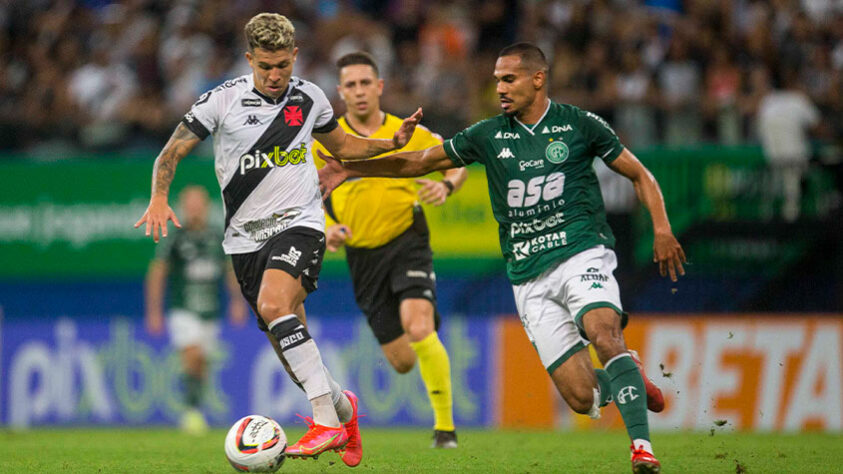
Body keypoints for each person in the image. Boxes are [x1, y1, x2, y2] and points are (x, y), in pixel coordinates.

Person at [319, 43, 686, 474]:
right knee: (581, 396)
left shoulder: (579, 125)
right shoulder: (487, 135)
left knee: (604, 334)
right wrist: (353, 169)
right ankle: (629, 379)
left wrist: (661, 227)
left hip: (580, 250)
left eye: (508, 79)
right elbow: (418, 162)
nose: (500, 88)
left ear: (537, 79)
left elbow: (639, 173)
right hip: (528, 276)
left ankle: (641, 448)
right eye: (496, 80)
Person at [135, 13, 423, 465]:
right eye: (265, 66)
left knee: (274, 306)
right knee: (293, 356)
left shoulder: (310, 98)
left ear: (295, 57)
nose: (274, 76)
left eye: (282, 66)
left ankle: (325, 424)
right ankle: (344, 411)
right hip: (244, 243)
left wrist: (392, 142)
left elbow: (344, 148)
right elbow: (172, 150)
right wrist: (158, 197)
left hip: (300, 223)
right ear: (250, 59)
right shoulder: (221, 101)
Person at [313, 51, 468, 448]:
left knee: (417, 326)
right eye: (351, 84)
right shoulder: (325, 144)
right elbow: (309, 197)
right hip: (361, 256)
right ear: (340, 92)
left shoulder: (409, 130)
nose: (360, 91)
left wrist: (446, 185)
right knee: (402, 361)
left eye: (367, 83)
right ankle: (426, 333)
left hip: (406, 240)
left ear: (379, 87)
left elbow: (457, 162)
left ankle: (445, 430)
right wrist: (329, 229)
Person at [144, 185, 248, 435]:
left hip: (211, 310)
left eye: (198, 205)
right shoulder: (176, 238)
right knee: (192, 352)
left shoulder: (217, 236)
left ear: (207, 207)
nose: (194, 211)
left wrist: (237, 302)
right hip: (183, 308)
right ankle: (191, 412)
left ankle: (195, 406)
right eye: (190, 206)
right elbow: (157, 273)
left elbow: (230, 271)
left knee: (201, 360)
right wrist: (154, 312)